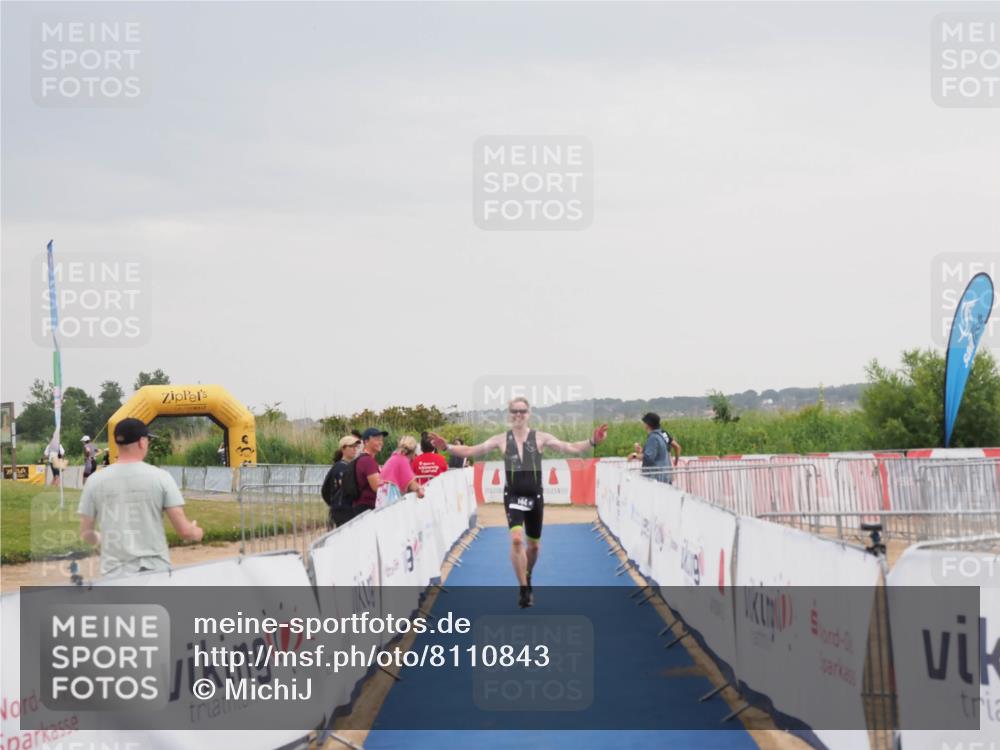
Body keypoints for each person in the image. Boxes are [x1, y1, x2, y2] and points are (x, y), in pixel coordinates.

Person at [429, 398, 608, 608]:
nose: (518, 415)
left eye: (522, 411)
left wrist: (593, 441)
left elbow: (571, 448)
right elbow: (470, 451)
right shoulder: (501, 439)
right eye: (514, 411)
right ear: (509, 414)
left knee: (533, 546)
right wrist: (447, 446)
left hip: (535, 497)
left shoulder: (541, 438)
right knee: (516, 540)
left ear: (529, 413)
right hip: (513, 496)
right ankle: (523, 589)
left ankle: (528, 574)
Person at [78, 418, 203, 578]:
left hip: (114, 574)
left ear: (117, 443)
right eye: (148, 440)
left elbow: (86, 533)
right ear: (142, 442)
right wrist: (196, 532)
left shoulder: (95, 481)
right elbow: (184, 531)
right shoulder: (161, 477)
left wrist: (101, 539)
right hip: (155, 571)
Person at [321, 435, 362, 528]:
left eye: (356, 447)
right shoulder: (340, 467)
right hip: (342, 510)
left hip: (346, 509)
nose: (354, 449)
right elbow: (347, 488)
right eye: (351, 446)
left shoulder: (350, 466)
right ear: (343, 449)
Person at [353, 427, 387, 516]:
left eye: (381, 440)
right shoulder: (367, 461)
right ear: (366, 441)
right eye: (376, 439)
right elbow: (377, 487)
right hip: (366, 508)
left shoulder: (367, 459)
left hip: (365, 506)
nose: (380, 442)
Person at [639, 412, 681, 483]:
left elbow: (649, 457)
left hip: (657, 475)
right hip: (667, 470)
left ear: (648, 424)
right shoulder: (663, 434)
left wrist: (634, 455)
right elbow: (677, 447)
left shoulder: (654, 437)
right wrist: (675, 463)